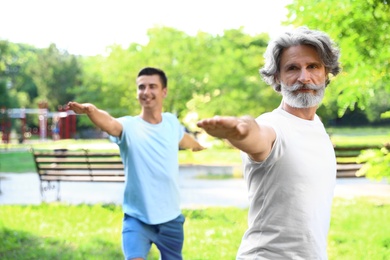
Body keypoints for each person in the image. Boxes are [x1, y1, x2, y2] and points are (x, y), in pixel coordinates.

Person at [197, 27, 341, 259]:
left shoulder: (316, 125)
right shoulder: (273, 126)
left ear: (327, 73)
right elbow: (256, 136)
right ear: (277, 77)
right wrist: (240, 131)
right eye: (292, 68)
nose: (304, 77)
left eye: (313, 66)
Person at [68, 67, 204, 260]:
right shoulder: (129, 126)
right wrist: (91, 111)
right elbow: (110, 123)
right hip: (137, 219)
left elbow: (183, 139)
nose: (146, 92)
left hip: (171, 218)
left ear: (164, 91)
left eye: (152, 86)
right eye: (141, 87)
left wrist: (198, 146)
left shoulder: (171, 122)